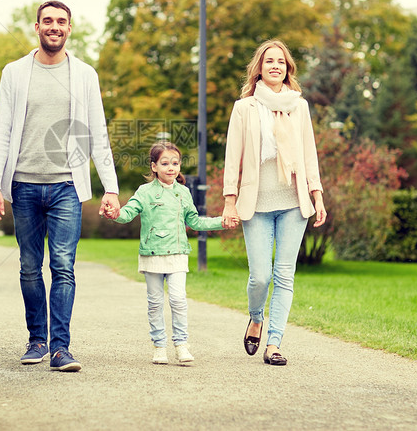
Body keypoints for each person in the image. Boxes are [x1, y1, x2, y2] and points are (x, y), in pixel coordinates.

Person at [0, 0, 120, 373]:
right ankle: (36, 340)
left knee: (64, 266)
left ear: (69, 28)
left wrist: (110, 187)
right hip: (24, 185)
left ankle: (61, 348)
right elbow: (2, 131)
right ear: (37, 27)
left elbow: (98, 133)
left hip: (66, 187)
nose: (54, 26)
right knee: (30, 267)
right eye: (48, 21)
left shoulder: (85, 75)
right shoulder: (14, 73)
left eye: (61, 21)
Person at [221, 39, 327, 366]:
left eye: (281, 62)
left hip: (294, 203)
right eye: (269, 61)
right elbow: (232, 158)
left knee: (284, 275)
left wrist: (317, 195)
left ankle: (275, 343)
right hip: (256, 204)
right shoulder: (245, 108)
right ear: (260, 68)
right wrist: (229, 200)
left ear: (288, 68)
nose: (276, 66)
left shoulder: (300, 106)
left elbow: (309, 153)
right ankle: (255, 316)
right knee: (260, 276)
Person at [107, 142, 236, 365]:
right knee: (155, 303)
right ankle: (159, 347)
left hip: (177, 254)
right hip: (152, 254)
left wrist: (221, 222)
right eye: (165, 163)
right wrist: (115, 213)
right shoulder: (145, 192)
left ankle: (181, 345)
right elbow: (127, 213)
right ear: (154, 166)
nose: (171, 168)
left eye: (175, 163)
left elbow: (194, 221)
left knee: (178, 299)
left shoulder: (183, 192)